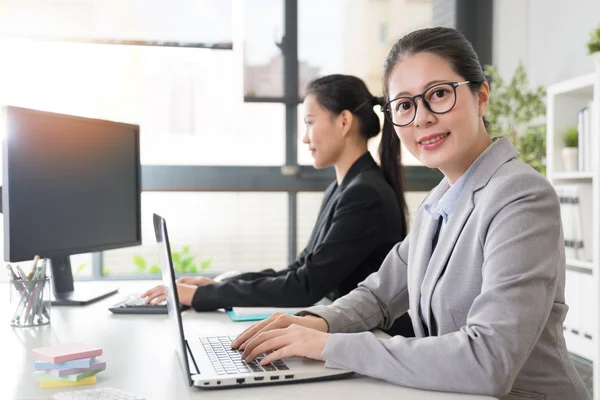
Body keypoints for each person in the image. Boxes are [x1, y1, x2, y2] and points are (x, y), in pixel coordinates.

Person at [230, 27, 591, 400]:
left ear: (481, 96)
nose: (421, 118)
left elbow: (489, 359)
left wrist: (327, 345)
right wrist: (315, 321)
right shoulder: (439, 200)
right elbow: (379, 294)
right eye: (404, 104)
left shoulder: (521, 196)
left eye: (438, 94)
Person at [142, 74, 414, 336]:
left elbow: (305, 286)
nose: (305, 138)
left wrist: (203, 296)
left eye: (309, 122)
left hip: (375, 336)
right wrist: (220, 285)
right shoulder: (343, 188)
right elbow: (299, 269)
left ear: (344, 122)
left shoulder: (365, 193)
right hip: (348, 327)